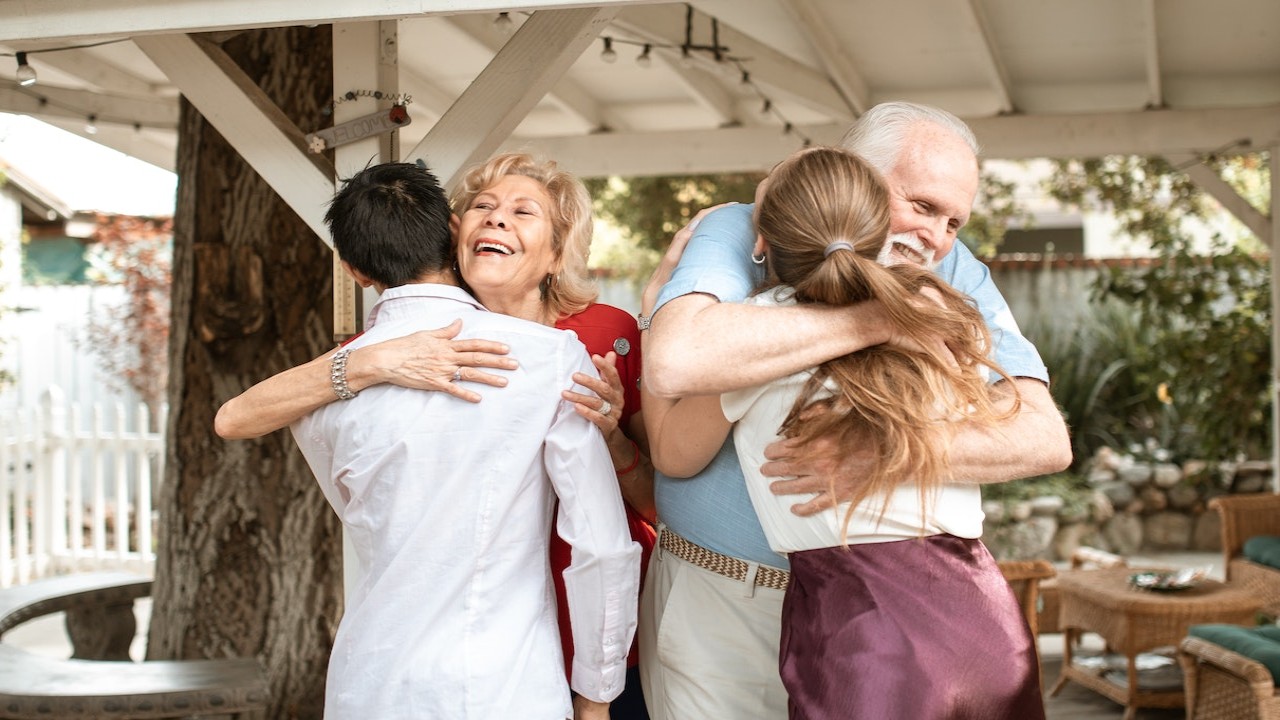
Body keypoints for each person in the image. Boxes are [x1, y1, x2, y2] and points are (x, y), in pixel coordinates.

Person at [636, 102, 1073, 719]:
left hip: (870, 628)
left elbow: (1043, 436)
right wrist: (875, 319)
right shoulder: (744, 227)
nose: (938, 239)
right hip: (725, 603)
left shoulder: (948, 275)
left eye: (954, 221)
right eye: (921, 206)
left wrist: (880, 454)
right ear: (851, 173)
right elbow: (677, 363)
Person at [215, 153, 656, 719]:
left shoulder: (320, 392)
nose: (497, 221)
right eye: (484, 207)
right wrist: (596, 703)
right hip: (505, 681)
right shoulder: (550, 361)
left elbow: (353, 506)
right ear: (454, 233)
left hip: (370, 681)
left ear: (353, 269)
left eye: (522, 211)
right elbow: (600, 546)